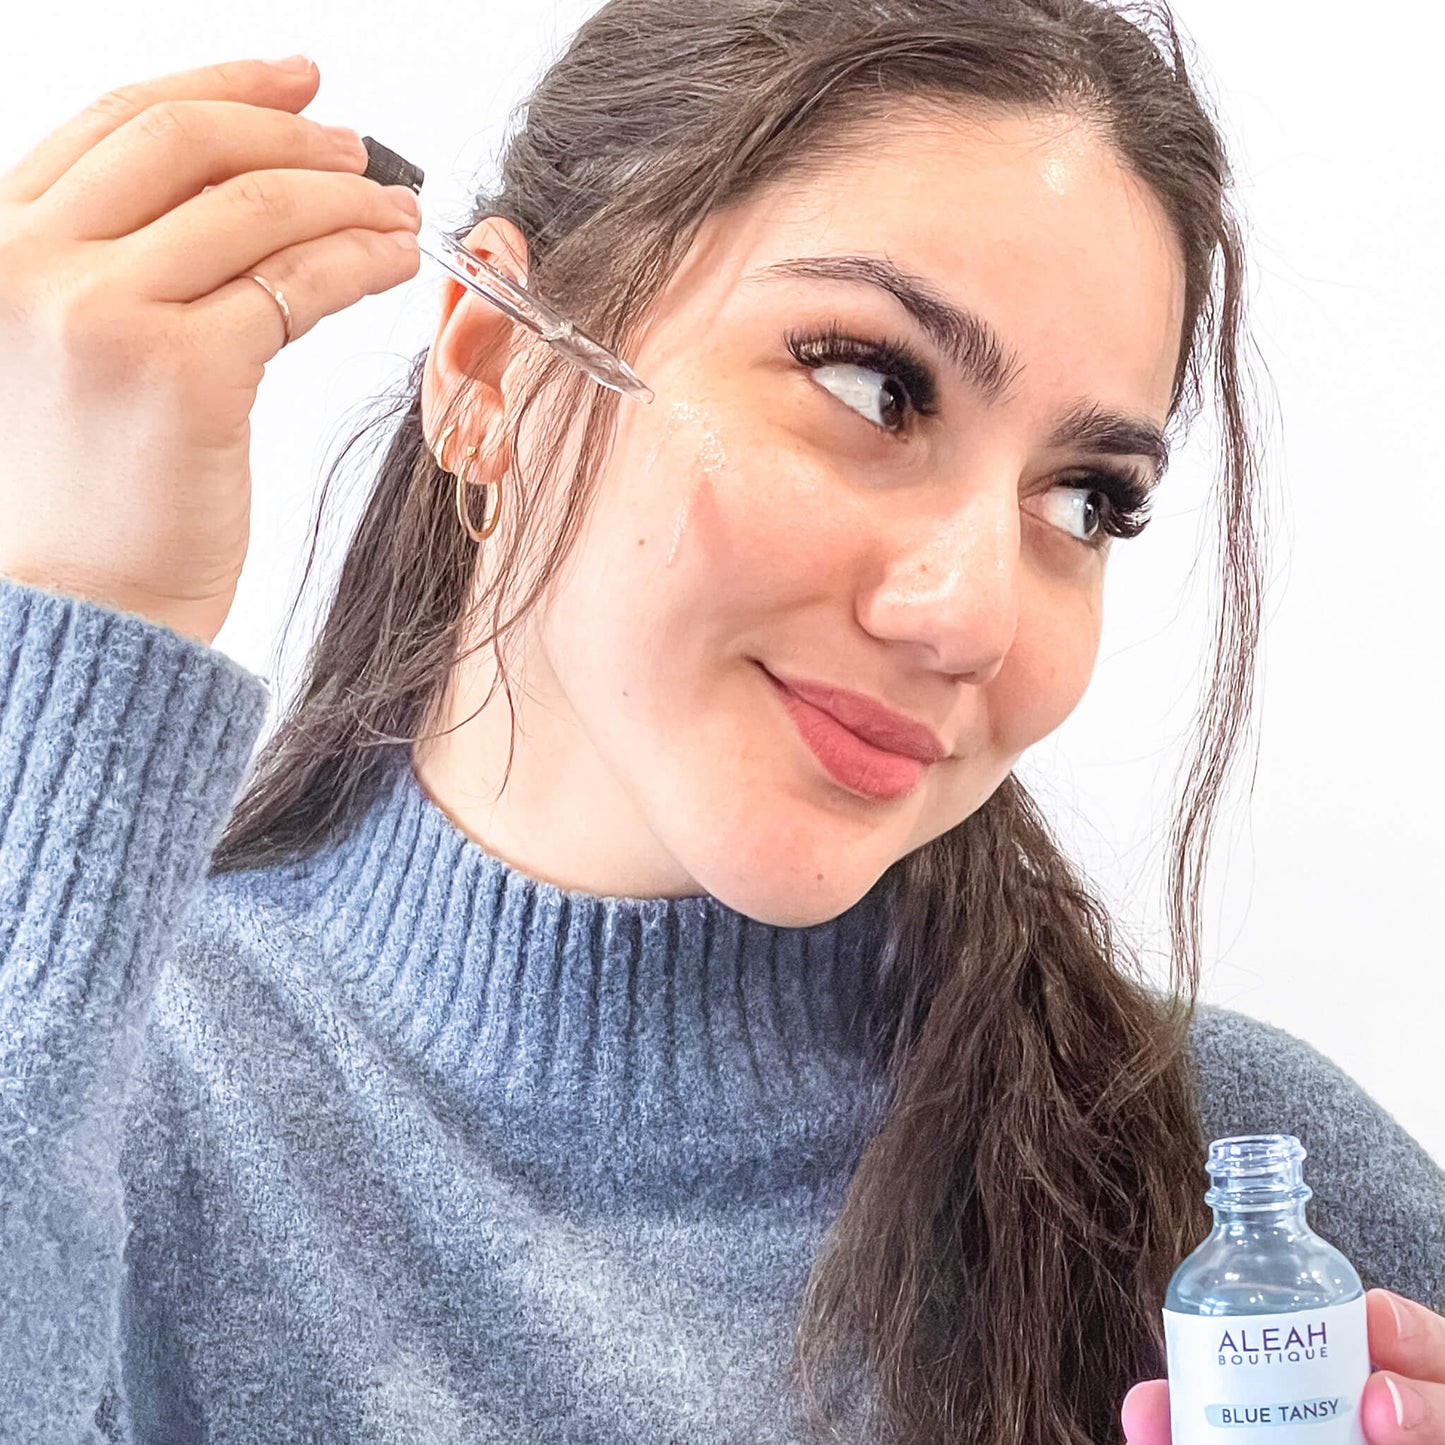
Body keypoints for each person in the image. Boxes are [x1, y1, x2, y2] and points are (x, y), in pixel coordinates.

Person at [0, 2, 1440, 1442]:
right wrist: (84, 616)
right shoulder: (80, 1095)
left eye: (1084, 499)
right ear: (493, 371)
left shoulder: (1256, 1219)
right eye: (874, 386)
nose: (970, 615)